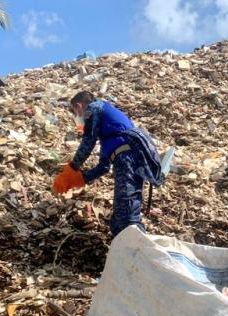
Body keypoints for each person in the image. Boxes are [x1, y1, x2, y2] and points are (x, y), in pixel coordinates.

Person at [53, 91, 163, 236]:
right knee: (119, 218)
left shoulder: (94, 108)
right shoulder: (110, 132)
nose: (77, 118)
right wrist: (79, 179)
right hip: (127, 158)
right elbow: (103, 167)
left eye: (75, 112)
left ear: (79, 106)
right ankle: (123, 248)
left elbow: (88, 141)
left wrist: (72, 168)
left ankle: (135, 251)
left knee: (127, 214)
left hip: (128, 157)